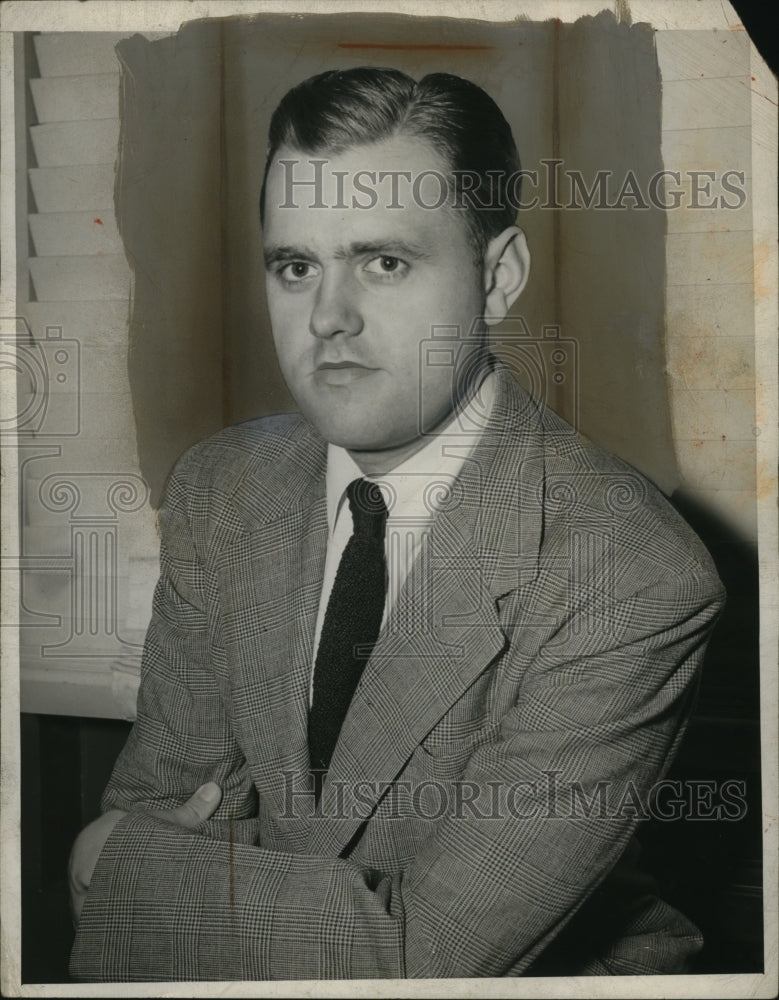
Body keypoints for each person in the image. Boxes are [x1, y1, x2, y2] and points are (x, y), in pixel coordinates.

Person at [69, 67, 725, 981]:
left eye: (384, 262)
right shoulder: (223, 489)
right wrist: (169, 866)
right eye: (296, 266)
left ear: (498, 279)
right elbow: (160, 810)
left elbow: (429, 952)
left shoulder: (632, 571)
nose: (328, 320)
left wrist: (109, 865)